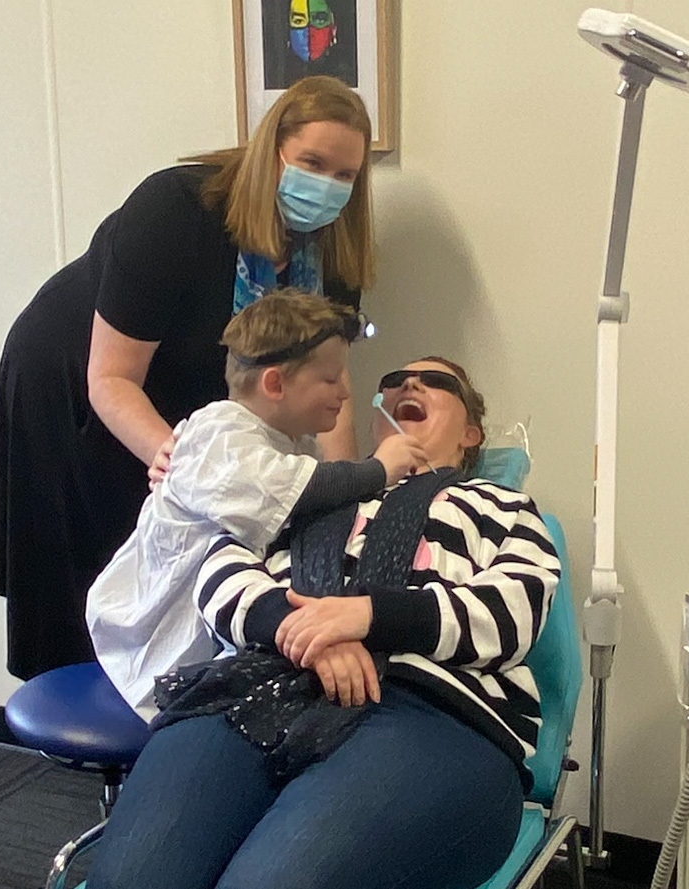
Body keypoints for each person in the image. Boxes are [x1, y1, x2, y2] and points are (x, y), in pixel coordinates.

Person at [85, 358, 562, 889]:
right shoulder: (311, 485)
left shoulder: (505, 508)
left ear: (471, 433)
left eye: (437, 381)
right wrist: (307, 632)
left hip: (430, 709)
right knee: (131, 878)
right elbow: (218, 567)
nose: (410, 384)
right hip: (265, 682)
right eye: (395, 379)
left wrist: (367, 616)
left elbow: (515, 610)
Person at [0, 75, 376, 678]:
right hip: (78, 379)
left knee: (196, 560)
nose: (327, 186)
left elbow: (330, 387)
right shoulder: (175, 209)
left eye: (345, 175)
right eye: (312, 163)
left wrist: (348, 494)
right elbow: (112, 379)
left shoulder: (331, 252)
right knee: (108, 571)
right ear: (272, 150)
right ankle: (89, 743)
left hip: (192, 391)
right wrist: (187, 465)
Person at [85, 291, 425, 720]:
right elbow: (296, 491)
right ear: (275, 384)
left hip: (228, 616)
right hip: (154, 634)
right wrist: (379, 468)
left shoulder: (294, 445)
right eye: (330, 378)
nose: (343, 392)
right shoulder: (221, 432)